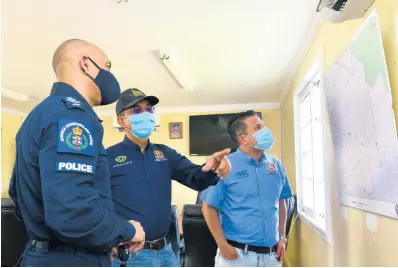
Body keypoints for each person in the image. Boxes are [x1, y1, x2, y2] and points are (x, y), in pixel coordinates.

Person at [8, 39, 145, 267]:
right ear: (86, 65)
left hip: (45, 255)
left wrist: (101, 237)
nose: (110, 76)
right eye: (107, 67)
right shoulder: (73, 117)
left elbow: (19, 196)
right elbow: (73, 211)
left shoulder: (38, 115)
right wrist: (128, 230)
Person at [107, 88, 232, 267]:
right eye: (136, 110)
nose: (145, 114)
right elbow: (96, 205)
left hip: (166, 253)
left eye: (149, 109)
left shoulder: (164, 154)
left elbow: (194, 177)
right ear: (121, 121)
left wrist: (212, 169)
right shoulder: (108, 157)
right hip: (131, 256)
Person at [201, 110, 293, 267]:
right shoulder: (224, 165)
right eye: (258, 127)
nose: (265, 131)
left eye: (263, 126)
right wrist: (222, 245)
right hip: (237, 256)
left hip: (271, 256)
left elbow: (282, 202)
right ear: (243, 138)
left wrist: (282, 238)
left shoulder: (276, 164)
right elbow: (208, 207)